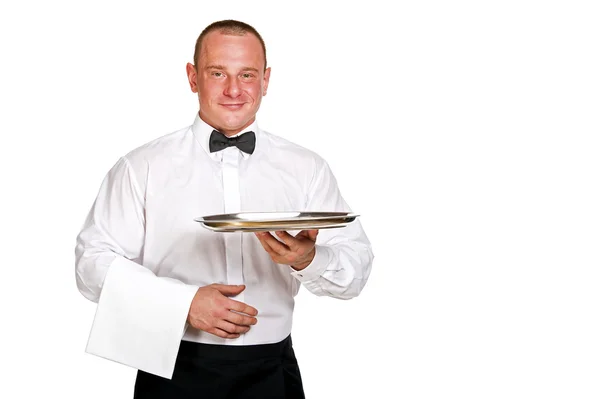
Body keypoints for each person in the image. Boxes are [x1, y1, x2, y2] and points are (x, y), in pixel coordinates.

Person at [75, 19, 374, 398]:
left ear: (265, 80)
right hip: (173, 371)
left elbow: (357, 270)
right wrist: (182, 304)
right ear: (193, 77)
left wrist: (308, 258)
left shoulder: (307, 167)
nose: (234, 89)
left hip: (273, 374)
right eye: (218, 73)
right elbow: (90, 264)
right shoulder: (140, 167)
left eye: (247, 74)